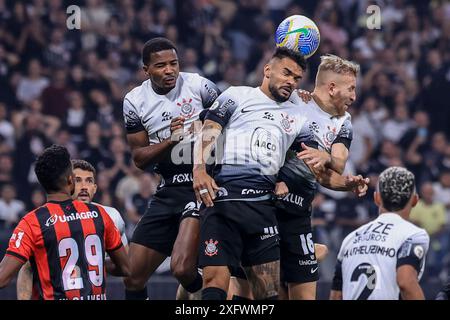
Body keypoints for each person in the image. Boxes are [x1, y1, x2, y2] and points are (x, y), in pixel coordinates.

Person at [193, 47, 368, 300]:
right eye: (287, 73)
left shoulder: (300, 115)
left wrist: (343, 182)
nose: (291, 81)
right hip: (227, 199)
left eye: (296, 78)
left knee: (267, 292)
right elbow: (208, 127)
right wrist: (199, 168)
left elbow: (317, 168)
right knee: (214, 279)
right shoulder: (238, 95)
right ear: (267, 69)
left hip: (270, 211)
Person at [122, 37, 220, 299]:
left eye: (173, 63)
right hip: (168, 190)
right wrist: (170, 140)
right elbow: (140, 159)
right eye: (161, 65)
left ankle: (214, 291)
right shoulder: (134, 101)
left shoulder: (200, 86)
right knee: (132, 276)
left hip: (203, 185)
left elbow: (230, 119)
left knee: (182, 268)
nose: (169, 70)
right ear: (146, 70)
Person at [275, 54, 361, 300]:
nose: (354, 97)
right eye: (351, 89)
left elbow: (338, 164)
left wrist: (348, 183)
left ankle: (305, 252)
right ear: (332, 87)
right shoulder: (293, 100)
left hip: (299, 212)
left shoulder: (344, 122)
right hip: (266, 204)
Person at [0, 145, 129, 300]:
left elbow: (3, 277)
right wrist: (91, 264)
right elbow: (126, 268)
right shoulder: (100, 215)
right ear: (70, 179)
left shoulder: (31, 222)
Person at [330, 167, 430, 300]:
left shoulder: (350, 238)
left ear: (377, 198)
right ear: (415, 200)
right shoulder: (413, 235)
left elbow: (336, 296)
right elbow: (406, 282)